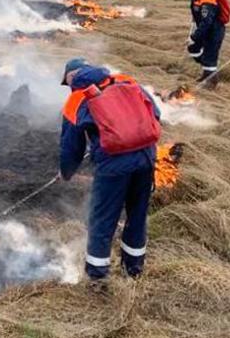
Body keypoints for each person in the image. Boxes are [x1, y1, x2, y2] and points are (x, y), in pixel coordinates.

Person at [58, 58, 161, 289]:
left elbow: (70, 149)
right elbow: (156, 112)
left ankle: (97, 278)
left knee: (102, 218)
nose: (70, 87)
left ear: (72, 76)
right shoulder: (125, 80)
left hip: (114, 166)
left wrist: (65, 173)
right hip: (146, 158)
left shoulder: (76, 100)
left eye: (68, 82)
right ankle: (133, 270)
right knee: (137, 214)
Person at [184, 0, 230, 84]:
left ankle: (211, 82)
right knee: (193, 48)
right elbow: (198, 11)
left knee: (210, 57)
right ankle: (206, 73)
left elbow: (207, 20)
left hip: (214, 30)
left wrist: (194, 36)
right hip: (205, 29)